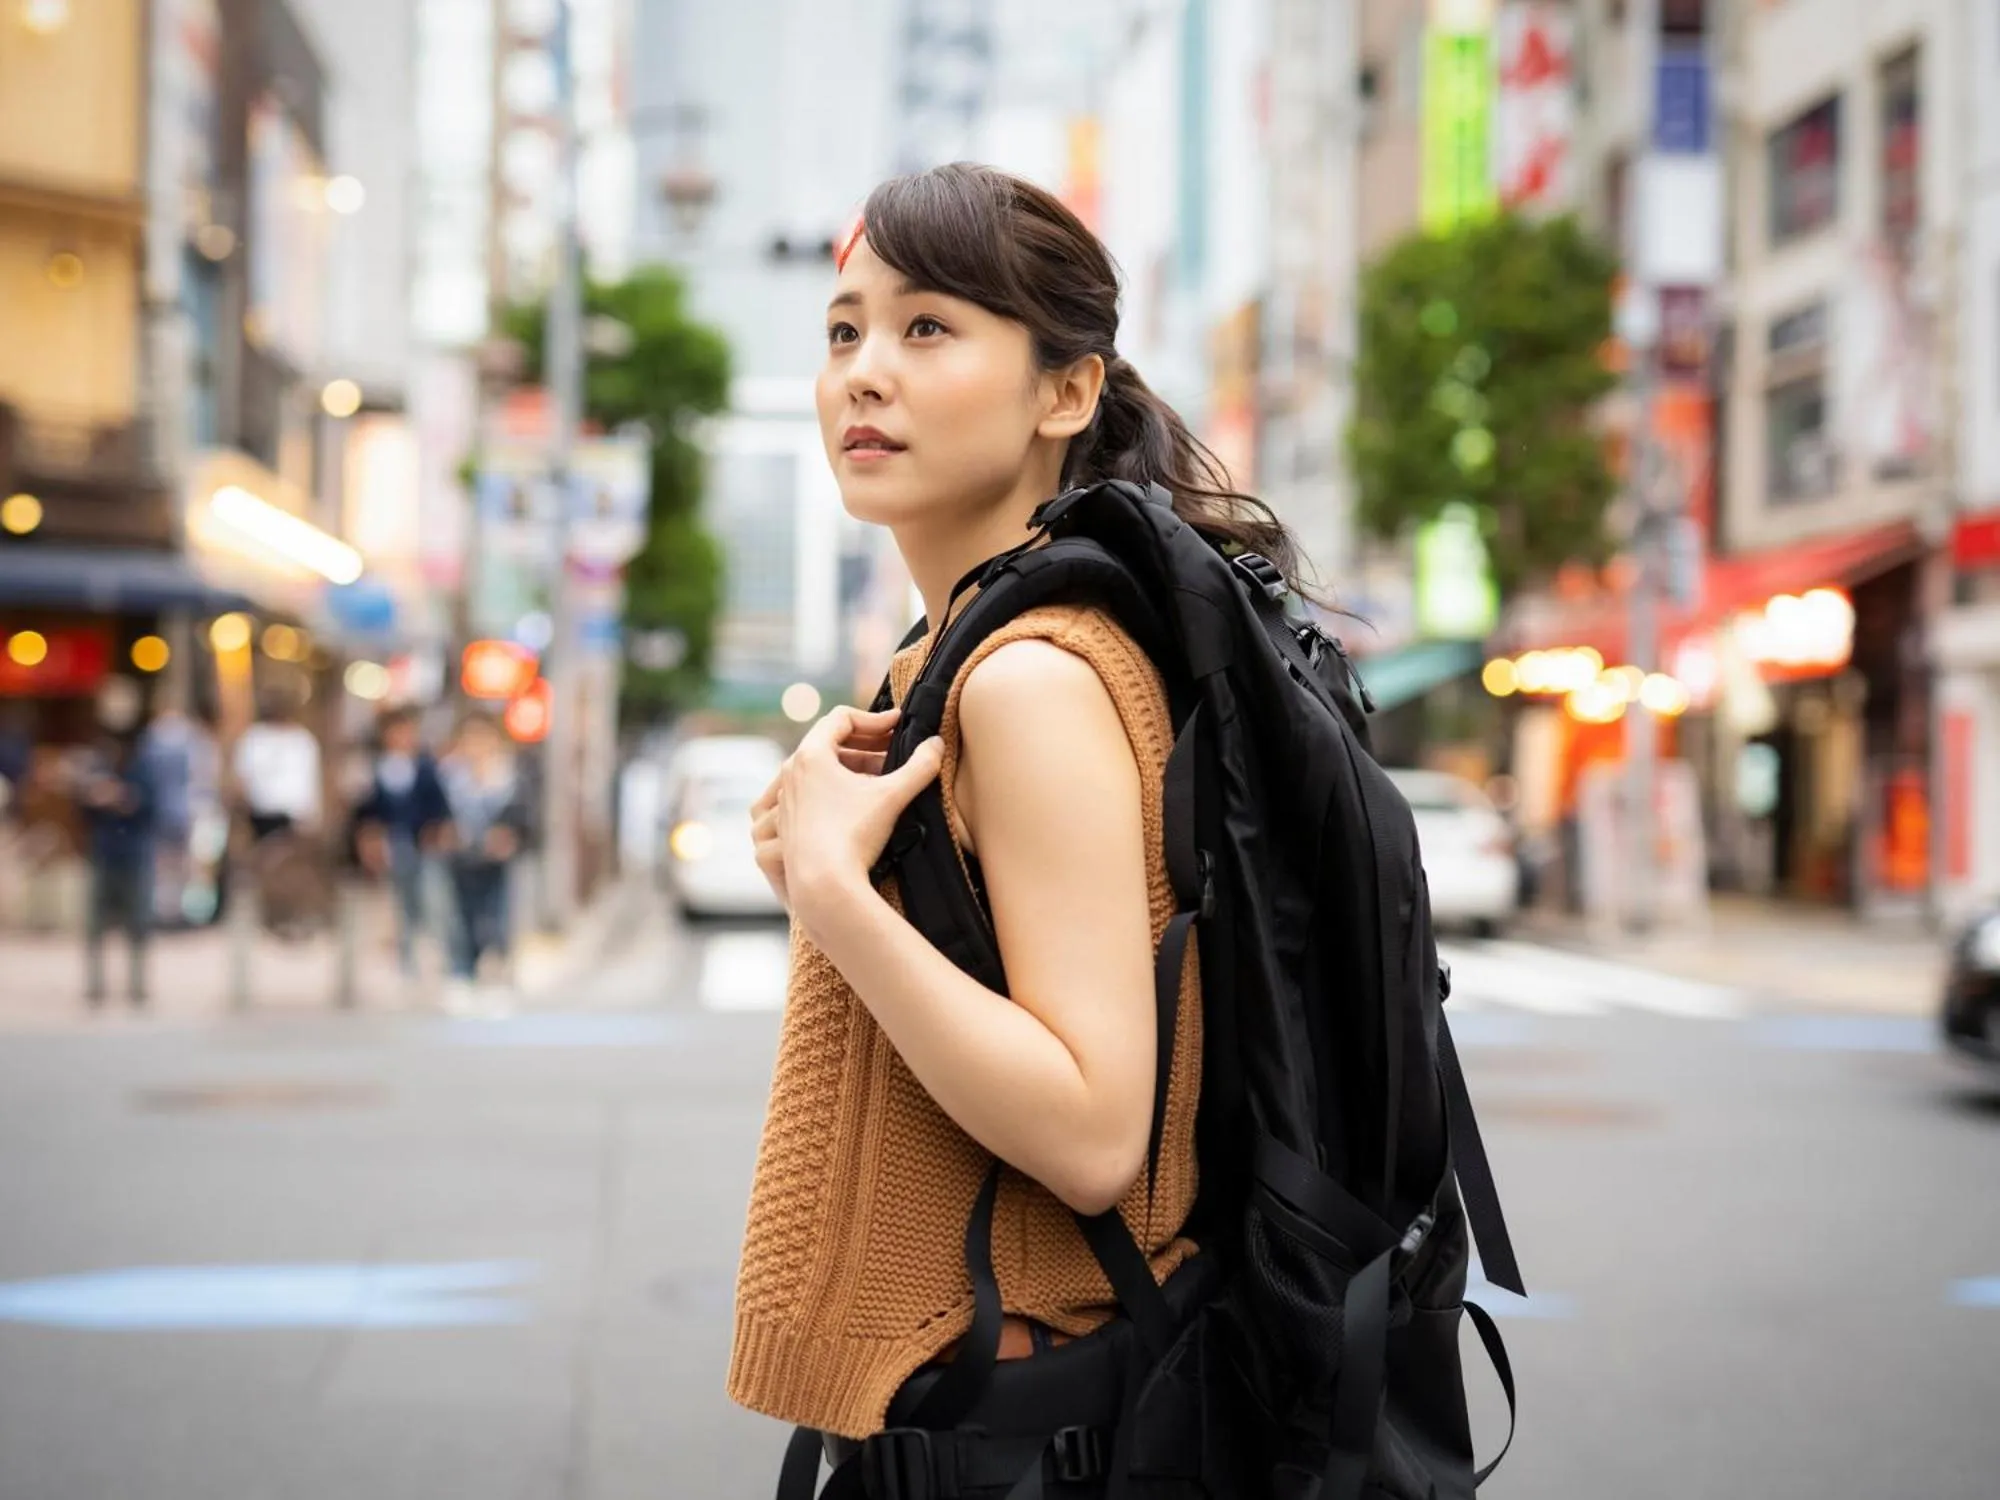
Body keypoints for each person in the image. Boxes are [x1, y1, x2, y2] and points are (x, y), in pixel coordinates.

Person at [730, 165, 1319, 1495]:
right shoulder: (961, 652)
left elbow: (1094, 1130)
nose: (863, 373)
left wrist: (832, 891)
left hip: (1028, 1440)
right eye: (843, 331)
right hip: (992, 1412)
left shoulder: (1033, 680)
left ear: (1067, 392)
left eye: (927, 328)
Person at [351, 705, 451, 983]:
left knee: (431, 901)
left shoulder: (426, 766)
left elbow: (439, 806)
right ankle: (407, 961)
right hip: (392, 843)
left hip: (422, 843)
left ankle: (440, 957)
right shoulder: (376, 768)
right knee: (399, 904)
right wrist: (369, 838)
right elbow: (366, 811)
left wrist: (437, 833)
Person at [437, 712, 527, 1010]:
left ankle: (498, 977)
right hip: (459, 860)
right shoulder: (449, 777)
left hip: (496, 861)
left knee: (497, 919)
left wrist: (509, 836)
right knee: (460, 918)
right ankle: (463, 974)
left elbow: (526, 816)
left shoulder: (508, 776)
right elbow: (434, 814)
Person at [74, 726, 158, 1007]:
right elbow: (82, 811)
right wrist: (95, 798)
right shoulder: (98, 771)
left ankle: (137, 986)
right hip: (105, 853)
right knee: (96, 926)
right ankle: (96, 987)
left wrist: (124, 799)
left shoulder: (144, 770)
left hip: (134, 855)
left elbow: (152, 809)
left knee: (138, 925)